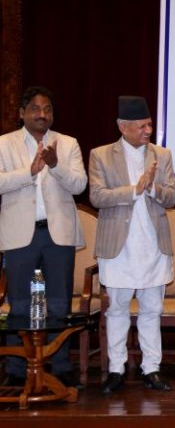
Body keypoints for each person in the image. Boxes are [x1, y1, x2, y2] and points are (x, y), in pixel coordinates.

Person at [0, 86, 87, 388]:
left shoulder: (68, 143)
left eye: (47, 109)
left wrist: (55, 165)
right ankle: (16, 368)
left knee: (59, 304)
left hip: (57, 235)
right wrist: (30, 171)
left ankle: (61, 365)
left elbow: (79, 185)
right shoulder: (4, 143)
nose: (42, 114)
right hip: (19, 234)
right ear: (21, 113)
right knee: (20, 305)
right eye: (35, 109)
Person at [90, 96, 175, 394]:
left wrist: (152, 188)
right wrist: (134, 189)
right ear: (122, 127)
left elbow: (172, 197)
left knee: (152, 308)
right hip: (119, 246)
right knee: (117, 309)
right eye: (141, 126)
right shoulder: (101, 155)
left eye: (149, 124)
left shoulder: (162, 155)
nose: (148, 130)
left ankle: (151, 368)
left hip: (153, 244)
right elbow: (97, 196)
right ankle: (116, 369)